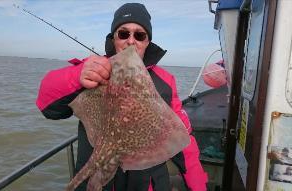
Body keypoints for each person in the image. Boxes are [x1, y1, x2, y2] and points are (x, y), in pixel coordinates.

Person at [36, 3, 207, 191]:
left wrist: (199, 187)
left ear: (148, 41)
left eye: (140, 35)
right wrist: (77, 77)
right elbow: (47, 105)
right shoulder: (93, 70)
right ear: (114, 38)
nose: (131, 41)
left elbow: (183, 138)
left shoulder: (165, 81)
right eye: (124, 34)